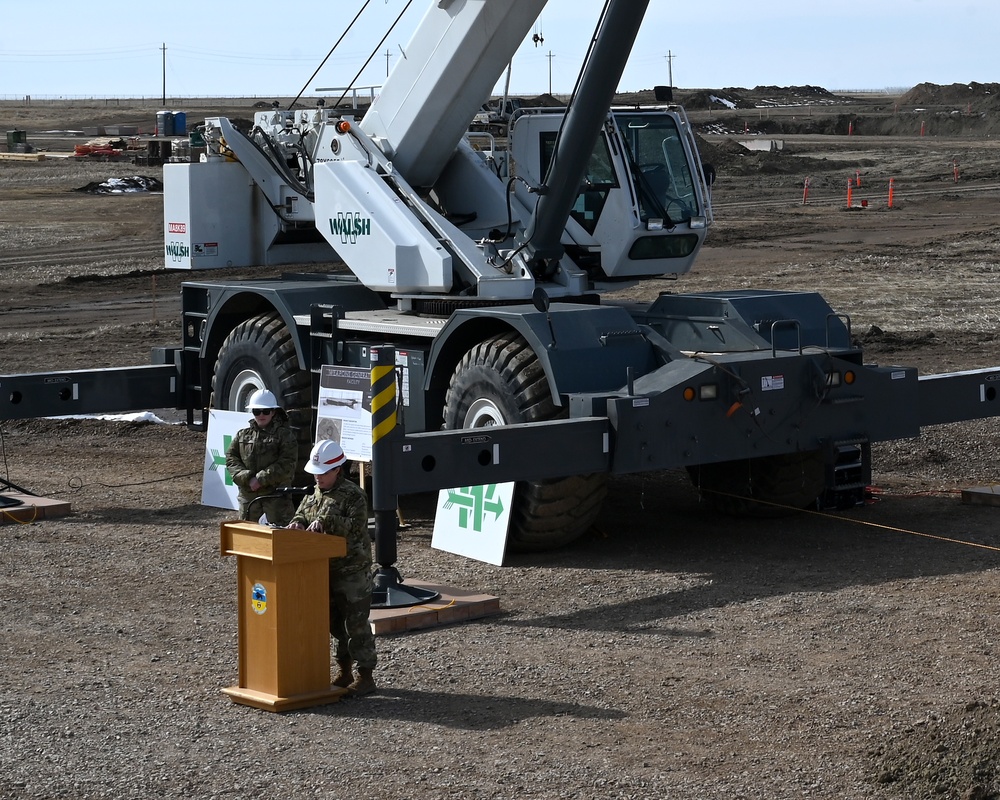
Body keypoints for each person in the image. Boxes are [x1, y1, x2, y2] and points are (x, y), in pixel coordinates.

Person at [287, 439, 376, 697]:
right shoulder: (313, 494)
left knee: (356, 624)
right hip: (324, 570)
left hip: (352, 572)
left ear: (337, 469)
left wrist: (325, 521)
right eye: (315, 473)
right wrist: (298, 523)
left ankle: (366, 675)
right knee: (335, 624)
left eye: (323, 472)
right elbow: (302, 514)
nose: (318, 478)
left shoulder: (354, 495)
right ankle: (344, 670)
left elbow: (355, 526)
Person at [225, 388, 298, 526]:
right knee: (249, 540)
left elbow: (287, 464)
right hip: (249, 500)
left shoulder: (285, 436)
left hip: (276, 501)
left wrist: (260, 479)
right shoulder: (242, 435)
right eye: (256, 411)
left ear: (273, 411)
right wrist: (246, 477)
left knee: (280, 541)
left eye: (266, 411)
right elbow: (231, 458)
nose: (261, 415)